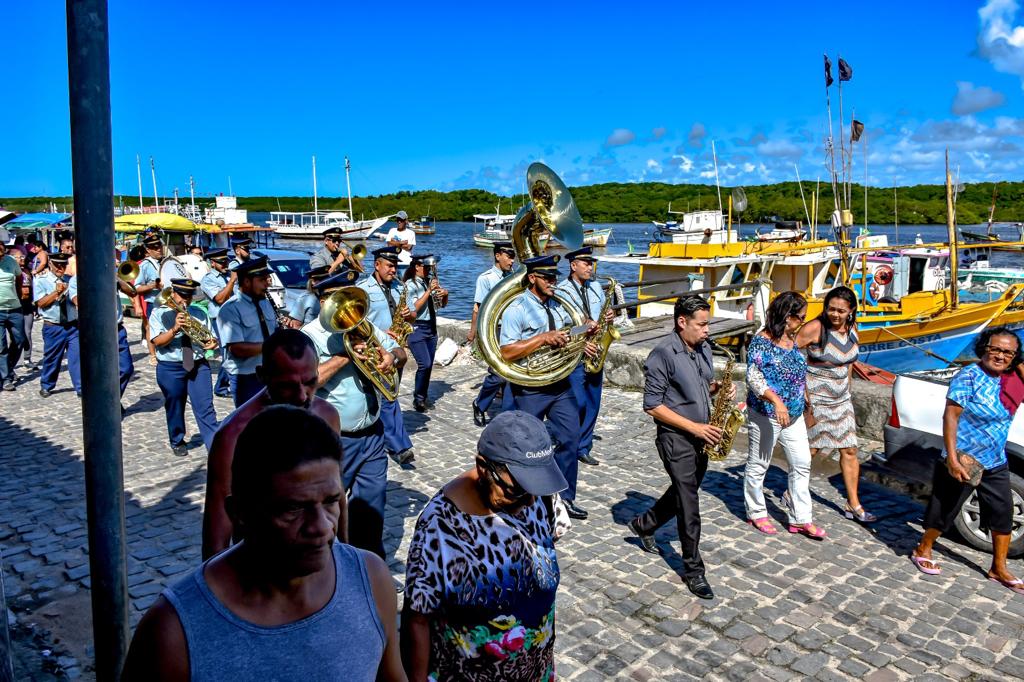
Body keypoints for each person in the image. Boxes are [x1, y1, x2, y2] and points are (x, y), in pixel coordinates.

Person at [122, 406, 406, 682]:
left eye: (331, 501)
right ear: (240, 514)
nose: (321, 526)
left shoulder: (371, 580)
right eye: (293, 508)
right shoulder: (173, 634)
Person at [402, 410, 569, 681]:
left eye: (535, 490)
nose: (529, 503)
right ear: (483, 467)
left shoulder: (537, 495)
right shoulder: (440, 524)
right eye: (517, 490)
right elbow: (418, 618)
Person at [202, 328, 341, 559]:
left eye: (310, 382)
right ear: (262, 376)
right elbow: (217, 538)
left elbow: (338, 497)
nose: (302, 396)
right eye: (288, 385)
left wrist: (344, 558)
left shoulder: (327, 417)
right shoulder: (232, 437)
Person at [628, 295, 732, 600]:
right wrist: (694, 427)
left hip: (703, 435)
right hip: (676, 437)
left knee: (682, 491)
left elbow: (704, 386)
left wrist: (719, 390)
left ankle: (644, 525)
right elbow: (652, 406)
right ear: (681, 322)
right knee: (689, 502)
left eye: (708, 324)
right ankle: (693, 570)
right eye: (702, 325)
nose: (707, 330)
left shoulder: (703, 349)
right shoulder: (663, 355)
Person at [910, 327, 1024, 595]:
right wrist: (952, 458)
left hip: (995, 458)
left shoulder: (1012, 380)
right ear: (984, 347)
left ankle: (998, 567)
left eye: (1008, 352)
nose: (1000, 356)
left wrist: (1017, 363)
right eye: (995, 349)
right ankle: (922, 548)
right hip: (965, 456)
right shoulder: (969, 376)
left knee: (1002, 511)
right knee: (946, 509)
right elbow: (950, 416)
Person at [302, 271, 406, 558]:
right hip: (334, 439)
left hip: (372, 434)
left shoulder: (363, 326)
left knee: (371, 507)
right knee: (327, 508)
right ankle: (326, 565)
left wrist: (391, 357)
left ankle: (369, 564)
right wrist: (344, 356)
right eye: (340, 300)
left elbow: (400, 351)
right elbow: (308, 380)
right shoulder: (308, 336)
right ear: (324, 301)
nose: (348, 309)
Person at [498, 254, 593, 521]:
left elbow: (568, 333)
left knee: (570, 440)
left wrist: (585, 332)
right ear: (532, 278)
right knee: (526, 445)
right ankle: (520, 497)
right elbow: (506, 351)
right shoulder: (517, 308)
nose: (553, 282)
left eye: (555, 277)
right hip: (531, 387)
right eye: (548, 277)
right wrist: (542, 338)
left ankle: (564, 499)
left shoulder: (559, 305)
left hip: (560, 383)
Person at [743, 291, 825, 539]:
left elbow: (798, 374)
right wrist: (776, 400)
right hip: (767, 413)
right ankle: (756, 512)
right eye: (800, 317)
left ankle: (800, 518)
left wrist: (806, 399)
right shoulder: (761, 341)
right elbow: (754, 378)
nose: (803, 321)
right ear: (786, 316)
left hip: (794, 413)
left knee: (801, 463)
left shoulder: (792, 340)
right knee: (759, 464)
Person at [795, 286, 874, 522]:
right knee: (812, 449)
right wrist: (801, 389)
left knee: (850, 449)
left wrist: (847, 388)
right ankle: (793, 492)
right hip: (816, 397)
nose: (835, 314)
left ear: (851, 311)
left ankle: (853, 503)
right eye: (831, 309)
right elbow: (789, 353)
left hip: (841, 398)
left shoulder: (852, 329)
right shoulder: (814, 328)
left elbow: (848, 362)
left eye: (841, 310)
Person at [357, 246, 416, 464]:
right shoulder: (363, 289)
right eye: (390, 266)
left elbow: (413, 316)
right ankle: (399, 446)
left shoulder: (400, 288)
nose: (394, 270)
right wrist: (380, 333)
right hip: (375, 350)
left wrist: (409, 315)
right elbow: (357, 321)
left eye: (396, 266)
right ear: (377, 265)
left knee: (388, 396)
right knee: (388, 397)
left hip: (396, 349)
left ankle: (375, 435)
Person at [149, 279, 220, 456]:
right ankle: (177, 439)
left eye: (188, 296)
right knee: (175, 404)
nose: (185, 301)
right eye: (181, 296)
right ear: (173, 293)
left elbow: (210, 337)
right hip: (171, 366)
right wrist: (174, 329)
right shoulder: (160, 313)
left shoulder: (199, 312)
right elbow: (157, 342)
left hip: (198, 364)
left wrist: (212, 344)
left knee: (206, 406)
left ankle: (215, 446)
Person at [557, 246, 613, 467]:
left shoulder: (597, 287)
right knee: (576, 403)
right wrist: (582, 335)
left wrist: (611, 316)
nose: (591, 267)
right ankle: (569, 444)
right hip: (575, 354)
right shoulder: (562, 291)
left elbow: (602, 320)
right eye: (586, 263)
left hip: (596, 351)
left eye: (591, 263)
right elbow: (562, 328)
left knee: (593, 402)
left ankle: (583, 447)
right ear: (573, 266)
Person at [66, 253, 136, 406]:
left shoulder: (113, 278)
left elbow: (132, 292)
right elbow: (78, 301)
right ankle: (107, 404)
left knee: (126, 368)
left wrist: (116, 278)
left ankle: (111, 402)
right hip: (96, 332)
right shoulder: (76, 279)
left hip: (117, 329)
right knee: (100, 372)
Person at [217, 257, 279, 407]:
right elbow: (236, 348)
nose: (267, 283)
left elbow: (274, 331)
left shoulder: (265, 302)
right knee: (250, 423)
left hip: (271, 371)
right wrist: (271, 345)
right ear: (246, 282)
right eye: (262, 279)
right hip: (246, 376)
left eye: (267, 278)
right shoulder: (230, 309)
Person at [469, 241, 516, 426]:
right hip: (494, 330)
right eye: (509, 256)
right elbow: (478, 308)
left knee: (512, 373)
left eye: (513, 257)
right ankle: (480, 405)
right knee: (498, 374)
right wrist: (474, 332)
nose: (512, 261)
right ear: (498, 256)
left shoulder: (513, 276)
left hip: (512, 329)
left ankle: (508, 413)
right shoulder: (486, 278)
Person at [402, 255, 448, 412]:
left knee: (428, 366)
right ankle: (418, 399)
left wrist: (444, 295)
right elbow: (414, 307)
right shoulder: (410, 284)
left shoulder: (428, 281)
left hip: (431, 327)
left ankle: (422, 395)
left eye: (430, 267)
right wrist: (429, 291)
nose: (429, 270)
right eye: (426, 266)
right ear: (417, 266)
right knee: (425, 364)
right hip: (417, 327)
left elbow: (440, 305)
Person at [34, 252, 79, 398]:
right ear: (50, 264)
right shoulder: (41, 280)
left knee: (76, 357)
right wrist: (56, 293)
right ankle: (47, 384)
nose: (61, 268)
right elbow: (40, 303)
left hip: (72, 325)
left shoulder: (71, 280)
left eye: (64, 264)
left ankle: (80, 387)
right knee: (52, 358)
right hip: (53, 326)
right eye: (58, 265)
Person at [199, 248, 237, 398]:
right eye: (221, 262)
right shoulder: (208, 279)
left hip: (233, 317)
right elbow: (220, 299)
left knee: (232, 352)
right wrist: (232, 281)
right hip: (220, 318)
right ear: (213, 263)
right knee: (227, 352)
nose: (225, 264)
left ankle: (226, 384)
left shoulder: (228, 275)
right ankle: (221, 386)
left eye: (226, 261)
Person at [134, 235, 165, 366]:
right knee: (152, 329)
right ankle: (153, 355)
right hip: (154, 301)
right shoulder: (145, 265)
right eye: (154, 247)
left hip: (168, 302)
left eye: (159, 246)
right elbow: (137, 287)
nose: (158, 249)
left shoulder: (166, 262)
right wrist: (152, 286)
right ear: (148, 251)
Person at [0, 242, 26, 391]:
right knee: (1, 346)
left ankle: (7, 368)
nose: (1, 257)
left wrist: (18, 295)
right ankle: (6, 378)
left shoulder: (10, 261)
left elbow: (19, 278)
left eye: (2, 253)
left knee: (19, 340)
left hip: (15, 308)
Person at [12, 249, 35, 371]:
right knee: (17, 336)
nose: (22, 259)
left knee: (28, 332)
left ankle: (27, 358)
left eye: (23, 257)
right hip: (15, 305)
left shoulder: (27, 270)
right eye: (19, 257)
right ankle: (11, 364)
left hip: (27, 305)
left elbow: (31, 288)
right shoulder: (11, 272)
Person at [384, 211, 416, 277]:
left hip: (405, 263)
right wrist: (401, 243)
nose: (399, 222)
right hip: (393, 263)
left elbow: (409, 247)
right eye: (398, 220)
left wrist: (394, 242)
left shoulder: (411, 233)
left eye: (401, 220)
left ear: (406, 221)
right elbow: (389, 245)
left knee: (404, 283)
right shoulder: (392, 230)